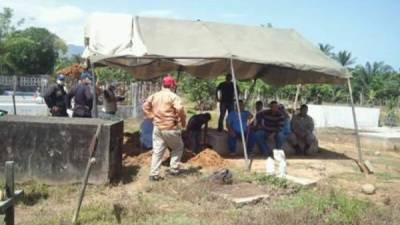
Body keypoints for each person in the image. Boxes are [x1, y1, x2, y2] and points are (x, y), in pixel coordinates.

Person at [143, 74, 186, 181]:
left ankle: (153, 175)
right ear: (172, 85)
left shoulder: (155, 95)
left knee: (157, 151)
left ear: (163, 84)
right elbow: (180, 109)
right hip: (170, 127)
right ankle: (174, 169)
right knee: (178, 147)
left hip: (157, 127)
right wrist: (183, 121)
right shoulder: (173, 96)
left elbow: (145, 107)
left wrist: (152, 116)